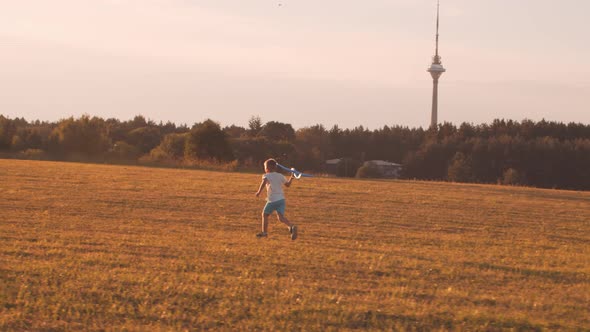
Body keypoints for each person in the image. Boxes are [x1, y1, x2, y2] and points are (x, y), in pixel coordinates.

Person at [255, 158, 298, 240]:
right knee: (281, 217)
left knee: (264, 214)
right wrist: (291, 178)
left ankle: (264, 233)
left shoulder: (266, 175)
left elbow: (263, 183)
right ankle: (291, 226)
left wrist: (259, 192)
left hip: (272, 200)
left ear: (267, 168)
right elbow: (288, 185)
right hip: (281, 200)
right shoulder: (280, 176)